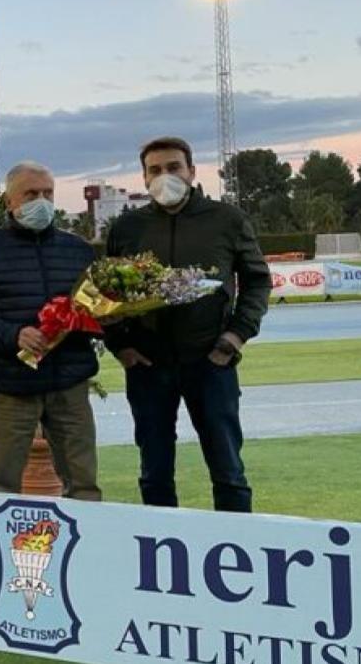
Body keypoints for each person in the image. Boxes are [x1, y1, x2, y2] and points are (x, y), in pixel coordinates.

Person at [105, 136, 271, 513]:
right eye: (156, 170)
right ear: (144, 178)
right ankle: (161, 555)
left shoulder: (227, 220)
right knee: (154, 471)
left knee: (228, 468)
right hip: (148, 365)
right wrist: (121, 346)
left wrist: (234, 337)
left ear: (192, 171)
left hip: (211, 361)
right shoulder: (127, 228)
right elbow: (107, 293)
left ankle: (237, 550)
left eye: (174, 167)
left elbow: (257, 280)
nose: (165, 176)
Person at [0, 161, 102, 500]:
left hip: (70, 383)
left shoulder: (78, 251)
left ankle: (87, 549)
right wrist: (11, 335)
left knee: (84, 482)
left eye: (48, 193)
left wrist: (101, 322)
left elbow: (97, 310)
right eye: (31, 194)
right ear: (9, 201)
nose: (42, 201)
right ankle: (5, 552)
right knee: (2, 485)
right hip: (9, 387)